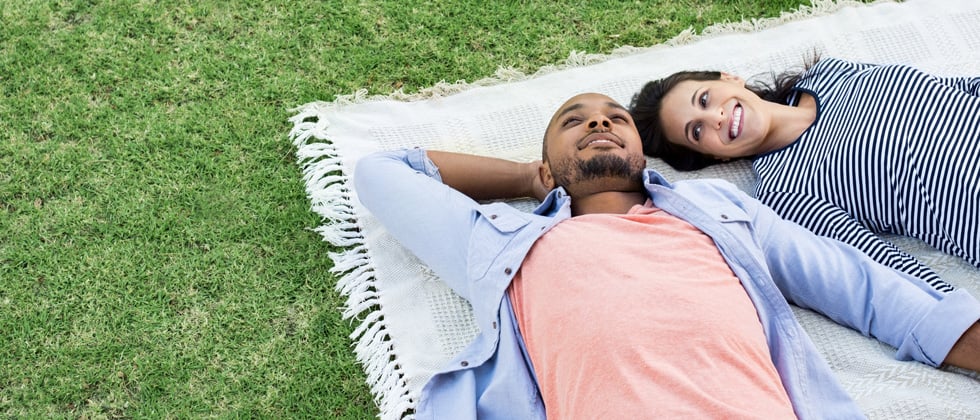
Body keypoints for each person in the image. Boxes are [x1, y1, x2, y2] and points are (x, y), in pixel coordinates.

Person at [353, 93, 980, 419]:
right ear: (552, 163)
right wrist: (525, 177)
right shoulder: (503, 243)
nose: (599, 123)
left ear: (639, 151)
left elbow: (858, 285)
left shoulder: (716, 210)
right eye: (575, 122)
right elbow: (384, 172)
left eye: (614, 118)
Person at [629, 57, 980, 294]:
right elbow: (879, 263)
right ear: (712, 157)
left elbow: (956, 87)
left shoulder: (831, 73)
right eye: (697, 131)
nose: (715, 118)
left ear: (730, 79)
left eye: (704, 99)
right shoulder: (784, 191)